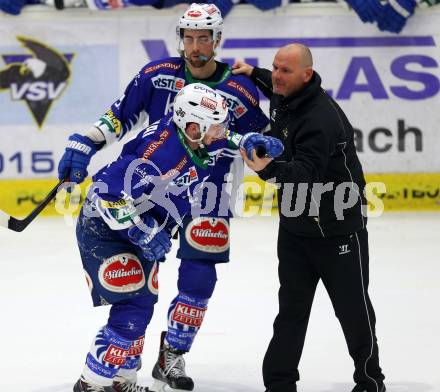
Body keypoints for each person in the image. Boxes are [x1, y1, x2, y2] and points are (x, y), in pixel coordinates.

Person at [57, 3, 269, 391]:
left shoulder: (239, 88)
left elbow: (253, 143)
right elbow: (121, 114)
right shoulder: (157, 75)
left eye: (203, 37)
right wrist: (84, 143)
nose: (195, 46)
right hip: (155, 196)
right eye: (188, 37)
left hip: (209, 194)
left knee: (198, 281)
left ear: (217, 39)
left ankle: (172, 354)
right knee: (140, 290)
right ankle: (112, 372)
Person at [233, 44, 386, 392]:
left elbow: (306, 173)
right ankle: (279, 384)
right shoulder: (286, 94)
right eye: (274, 68)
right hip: (296, 231)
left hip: (338, 232)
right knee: (290, 313)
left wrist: (267, 169)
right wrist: (252, 72)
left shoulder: (321, 118)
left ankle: (370, 382)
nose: (277, 76)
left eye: (285, 70)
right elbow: (272, 85)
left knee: (353, 312)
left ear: (307, 74)